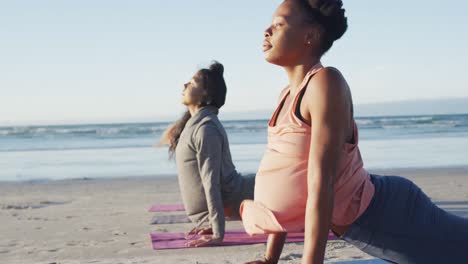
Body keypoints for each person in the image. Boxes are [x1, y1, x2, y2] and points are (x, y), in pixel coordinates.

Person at [240, 1, 468, 263]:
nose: (266, 30)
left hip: (389, 216)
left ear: (310, 36)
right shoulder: (286, 96)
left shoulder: (325, 83)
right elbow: (286, 172)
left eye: (279, 24)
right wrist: (271, 258)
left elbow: (320, 181)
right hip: (368, 222)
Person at [160, 61, 255, 247]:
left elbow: (211, 182)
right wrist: (211, 224)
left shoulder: (206, 129)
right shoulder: (194, 125)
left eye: (193, 82)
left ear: (206, 94)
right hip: (243, 192)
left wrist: (218, 234)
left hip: (252, 193)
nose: (185, 85)